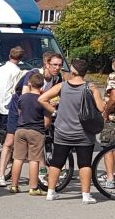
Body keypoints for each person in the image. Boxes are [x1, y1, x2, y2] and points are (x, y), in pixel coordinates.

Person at [38, 58, 105, 203]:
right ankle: (86, 195)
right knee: (85, 163)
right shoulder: (90, 87)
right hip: (84, 133)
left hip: (63, 131)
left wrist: (55, 112)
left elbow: (42, 99)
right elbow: (101, 108)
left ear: (73, 72)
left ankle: (50, 192)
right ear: (85, 72)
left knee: (56, 162)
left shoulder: (62, 86)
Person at [8, 72, 49, 195]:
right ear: (42, 85)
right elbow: (47, 122)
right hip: (36, 131)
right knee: (34, 160)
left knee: (18, 158)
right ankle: (33, 187)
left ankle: (14, 185)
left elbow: (20, 112)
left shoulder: (22, 98)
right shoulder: (43, 100)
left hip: (21, 130)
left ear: (29, 83)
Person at [0, 46, 26, 186]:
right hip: (9, 106)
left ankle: (0, 148)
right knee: (10, 136)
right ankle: (5, 157)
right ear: (21, 58)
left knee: (4, 131)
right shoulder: (18, 72)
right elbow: (17, 90)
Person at [99, 56, 115, 188]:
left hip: (114, 118)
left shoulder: (114, 76)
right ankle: (113, 175)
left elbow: (114, 97)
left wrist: (106, 113)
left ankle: (110, 177)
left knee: (108, 147)